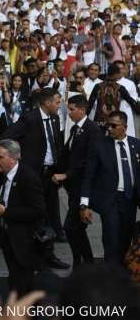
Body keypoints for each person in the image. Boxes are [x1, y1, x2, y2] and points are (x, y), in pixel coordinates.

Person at [1, 87, 69, 269]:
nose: (59, 104)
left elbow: (55, 144)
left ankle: (50, 254)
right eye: (56, 101)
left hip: (51, 174)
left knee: (51, 212)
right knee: (37, 215)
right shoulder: (29, 118)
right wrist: (19, 162)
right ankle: (35, 255)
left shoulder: (55, 118)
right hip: (34, 174)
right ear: (46, 103)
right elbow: (8, 137)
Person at [80, 111, 139, 264]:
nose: (109, 129)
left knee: (126, 238)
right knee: (111, 238)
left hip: (130, 199)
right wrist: (84, 204)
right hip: (110, 200)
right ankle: (111, 276)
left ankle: (122, 272)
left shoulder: (136, 145)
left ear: (124, 127)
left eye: (114, 126)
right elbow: (89, 175)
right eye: (108, 125)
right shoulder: (100, 146)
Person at [0, 139, 46, 296]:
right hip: (8, 239)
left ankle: (25, 316)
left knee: (23, 284)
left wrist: (6, 212)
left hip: (24, 242)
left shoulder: (28, 177)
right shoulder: (3, 175)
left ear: (13, 158)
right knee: (14, 281)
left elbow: (38, 210)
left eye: (0, 157)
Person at [52, 95, 103, 269]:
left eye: (72, 109)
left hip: (83, 188)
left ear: (83, 109)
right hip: (74, 188)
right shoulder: (75, 129)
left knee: (71, 227)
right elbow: (68, 155)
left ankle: (82, 264)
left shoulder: (92, 130)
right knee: (77, 229)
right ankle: (85, 264)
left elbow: (89, 161)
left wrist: (66, 175)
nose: (70, 113)